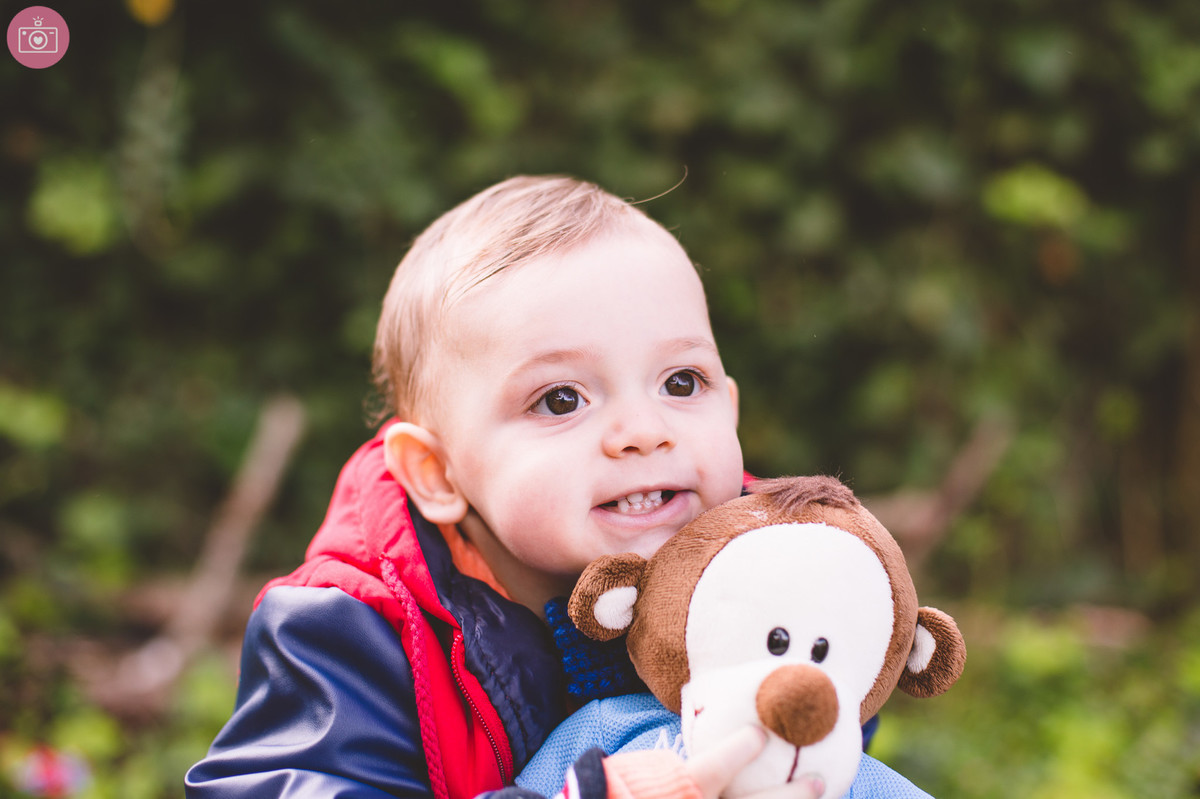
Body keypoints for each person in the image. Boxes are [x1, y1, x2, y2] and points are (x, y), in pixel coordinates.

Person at [185, 175, 816, 799]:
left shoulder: (772, 569)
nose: (644, 432)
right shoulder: (355, 634)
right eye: (561, 398)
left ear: (729, 408)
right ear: (437, 474)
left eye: (681, 382)